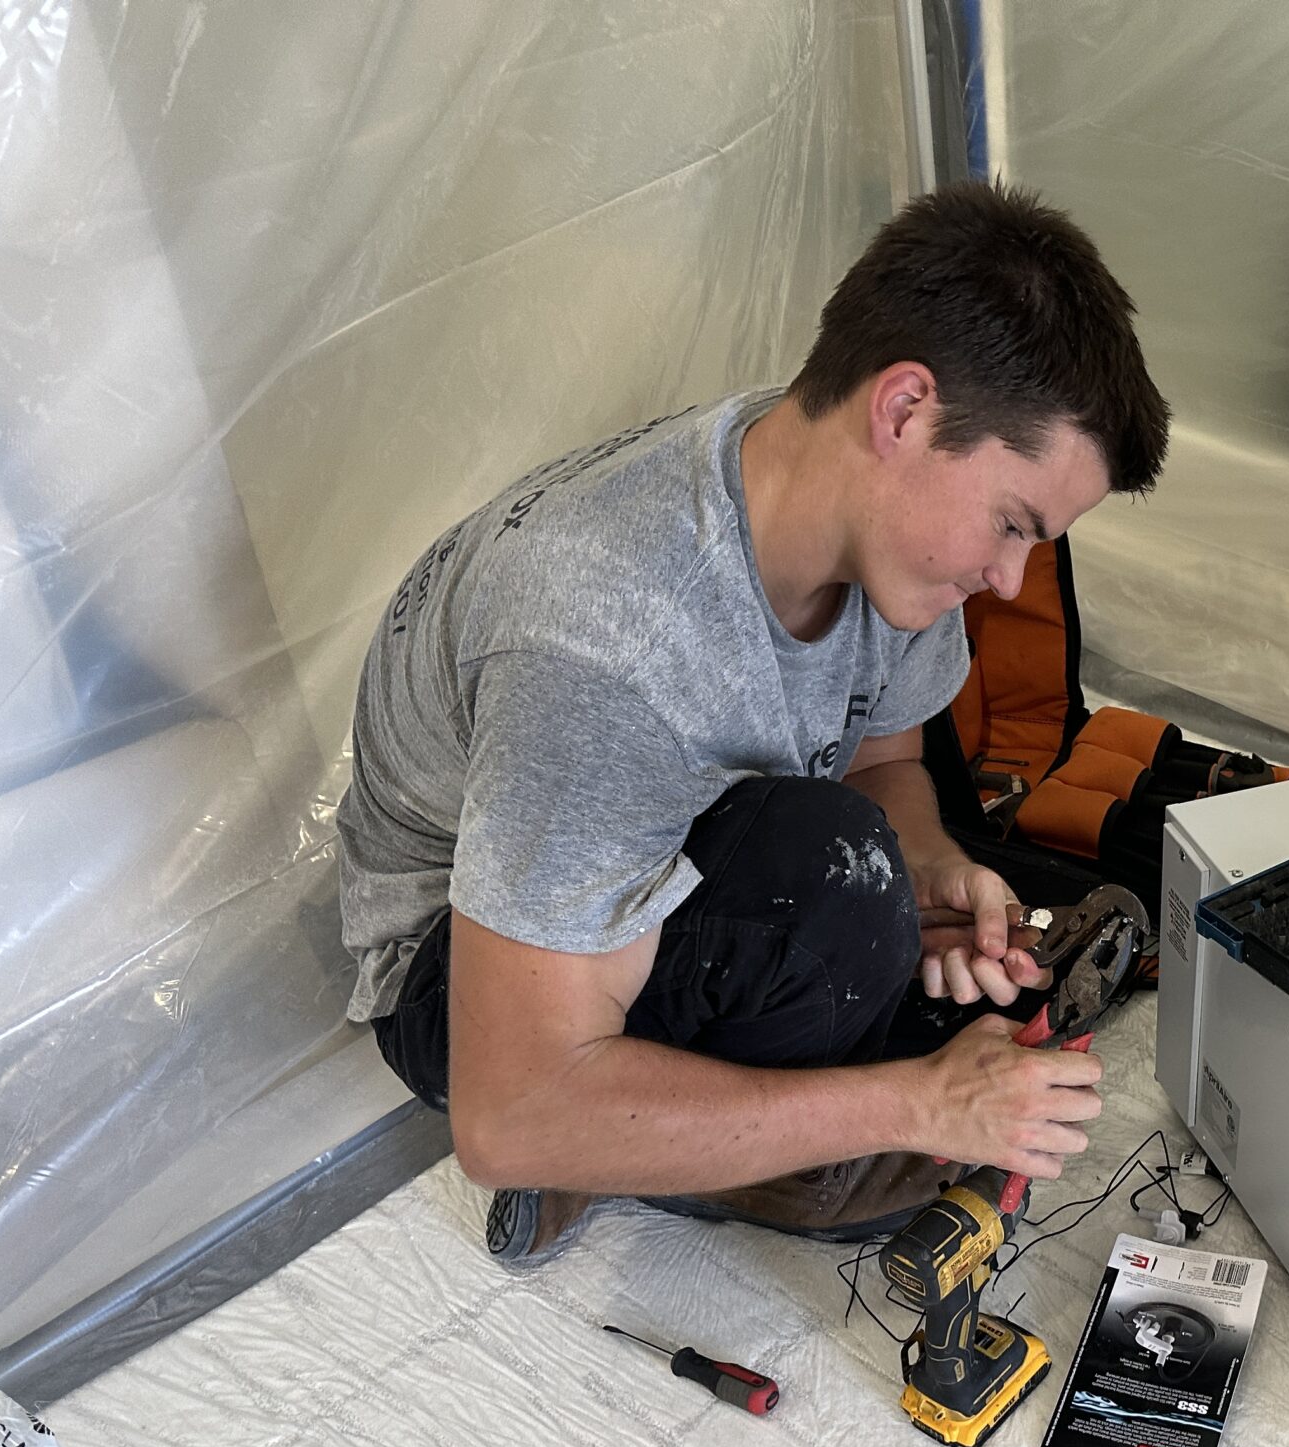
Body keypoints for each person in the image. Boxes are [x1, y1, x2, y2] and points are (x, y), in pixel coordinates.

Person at [333, 180, 1170, 1267]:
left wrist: (928, 866)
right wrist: (916, 1105)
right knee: (836, 898)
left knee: (891, 867)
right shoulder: (608, 643)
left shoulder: (844, 503)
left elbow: (884, 754)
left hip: (645, 835)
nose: (1010, 579)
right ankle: (650, 1156)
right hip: (465, 971)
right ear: (904, 409)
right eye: (1011, 524)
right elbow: (506, 1117)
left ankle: (755, 1085)